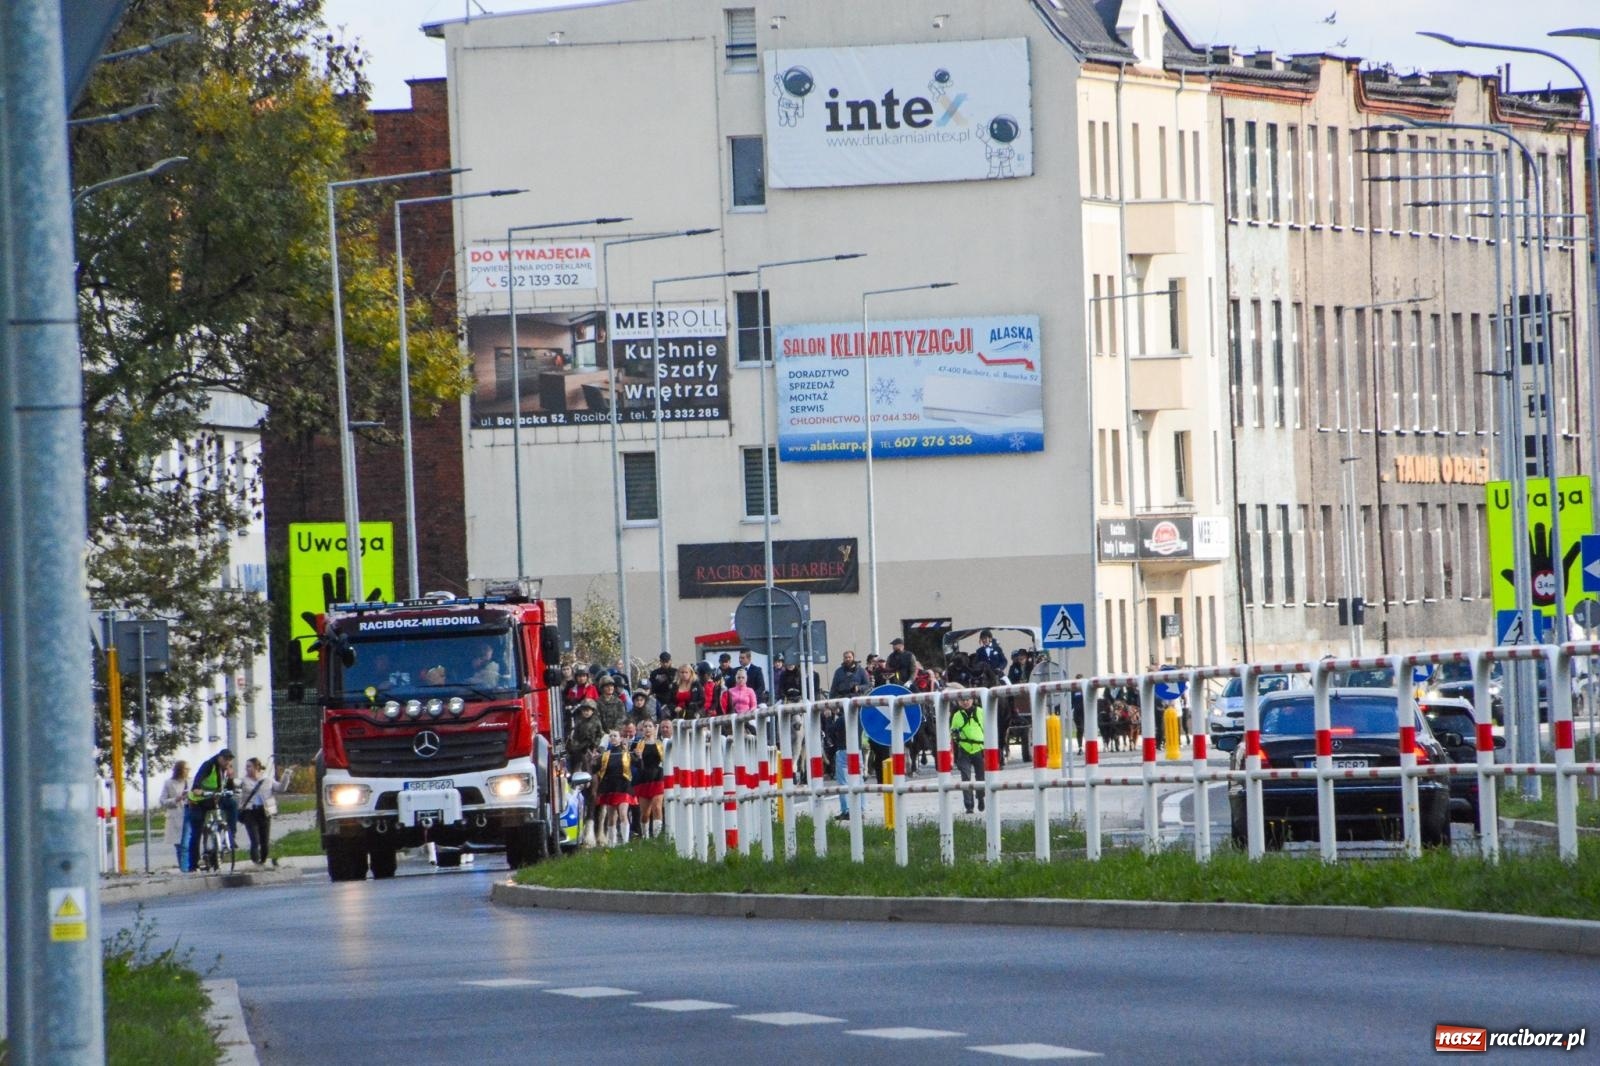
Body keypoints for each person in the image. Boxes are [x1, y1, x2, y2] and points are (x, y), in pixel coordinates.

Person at [186, 747, 237, 871]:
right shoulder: (209, 765)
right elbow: (199, 778)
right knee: (197, 832)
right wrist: (197, 788)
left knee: (232, 804)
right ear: (219, 758)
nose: (227, 763)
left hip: (214, 799)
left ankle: (230, 836)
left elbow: (229, 788)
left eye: (229, 760)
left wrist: (231, 779)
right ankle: (193, 865)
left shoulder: (226, 770)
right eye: (225, 760)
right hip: (199, 801)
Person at [238, 756, 293, 866]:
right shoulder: (244, 781)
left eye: (249, 766)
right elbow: (236, 785)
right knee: (255, 839)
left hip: (264, 812)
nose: (247, 769)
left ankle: (262, 861)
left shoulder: (267, 780)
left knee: (264, 840)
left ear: (256, 767)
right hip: (250, 812)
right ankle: (255, 862)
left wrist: (286, 774)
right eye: (246, 767)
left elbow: (281, 788)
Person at [593, 732, 635, 846]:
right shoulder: (606, 755)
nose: (613, 738)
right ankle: (612, 843)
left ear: (620, 738)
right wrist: (594, 760)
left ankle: (626, 843)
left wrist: (637, 755)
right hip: (610, 787)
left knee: (623, 813)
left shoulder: (626, 754)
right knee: (611, 817)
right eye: (611, 736)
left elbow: (638, 764)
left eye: (615, 736)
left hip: (623, 786)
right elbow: (595, 769)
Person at [951, 691, 986, 813]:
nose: (965, 702)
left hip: (979, 749)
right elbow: (953, 733)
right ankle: (969, 805)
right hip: (964, 749)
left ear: (973, 700)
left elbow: (988, 728)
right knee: (965, 778)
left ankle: (981, 797)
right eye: (962, 700)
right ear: (959, 702)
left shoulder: (981, 712)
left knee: (981, 778)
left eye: (968, 699)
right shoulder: (956, 716)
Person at [631, 720, 667, 838]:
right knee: (645, 814)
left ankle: (657, 837)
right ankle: (646, 836)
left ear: (654, 728)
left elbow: (665, 760)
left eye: (650, 726)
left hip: (657, 776)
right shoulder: (637, 744)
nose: (647, 728)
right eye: (645, 726)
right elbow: (634, 764)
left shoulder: (660, 744)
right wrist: (639, 757)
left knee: (657, 807)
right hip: (643, 778)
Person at [159, 761, 191, 871]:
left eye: (188, 769)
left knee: (185, 844)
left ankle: (185, 870)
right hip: (175, 816)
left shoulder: (190, 782)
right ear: (179, 770)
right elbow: (162, 801)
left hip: (187, 814)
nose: (187, 771)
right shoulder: (169, 783)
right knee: (178, 845)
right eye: (185, 769)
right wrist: (176, 799)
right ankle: (183, 868)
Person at [821, 704, 849, 820]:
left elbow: (830, 731)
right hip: (857, 751)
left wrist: (828, 718)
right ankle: (860, 809)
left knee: (843, 782)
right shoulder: (858, 716)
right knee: (858, 780)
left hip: (843, 750)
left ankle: (846, 810)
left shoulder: (842, 719)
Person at [567, 699, 603, 771]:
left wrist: (596, 745)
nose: (586, 712)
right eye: (584, 710)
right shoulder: (579, 721)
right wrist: (576, 744)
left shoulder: (596, 721)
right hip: (581, 748)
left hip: (594, 748)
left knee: (593, 769)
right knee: (579, 764)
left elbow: (600, 734)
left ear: (592, 711)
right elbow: (576, 735)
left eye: (588, 710)